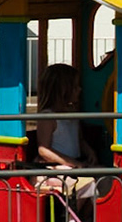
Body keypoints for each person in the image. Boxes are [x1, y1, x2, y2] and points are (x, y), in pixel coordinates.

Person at [32, 64, 94, 219]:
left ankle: (82, 215)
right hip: (52, 168)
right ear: (62, 91)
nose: (79, 90)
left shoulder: (72, 113)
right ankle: (70, 217)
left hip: (73, 164)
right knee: (88, 182)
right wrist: (70, 162)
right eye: (74, 87)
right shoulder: (48, 116)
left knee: (103, 179)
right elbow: (43, 150)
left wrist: (88, 151)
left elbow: (78, 139)